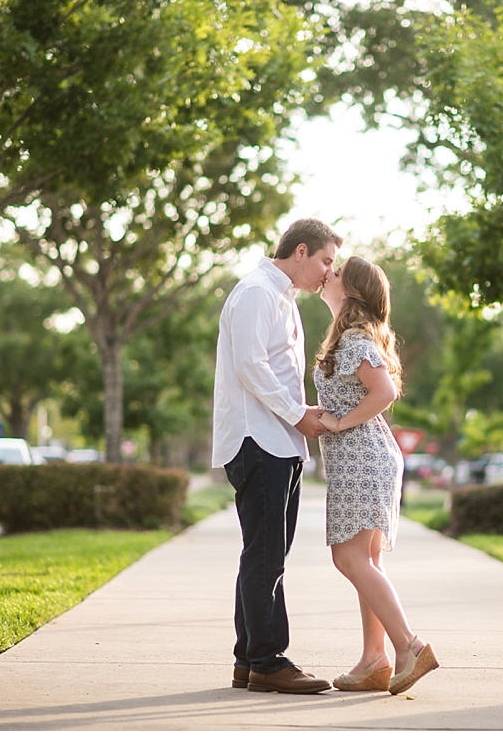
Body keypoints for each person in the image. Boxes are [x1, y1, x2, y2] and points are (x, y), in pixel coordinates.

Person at [212, 217, 342, 695]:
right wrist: (296, 414)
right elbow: (251, 366)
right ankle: (268, 661)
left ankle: (249, 660)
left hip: (279, 440)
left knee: (266, 556)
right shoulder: (256, 293)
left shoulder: (281, 296)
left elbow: (278, 371)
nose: (329, 273)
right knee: (265, 556)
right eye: (326, 261)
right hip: (258, 439)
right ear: (302, 251)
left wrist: (298, 417)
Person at [314, 256, 439, 695]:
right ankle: (374, 660)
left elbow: (383, 392)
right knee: (366, 560)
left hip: (360, 458)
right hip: (369, 457)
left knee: (348, 559)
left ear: (349, 292)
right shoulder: (353, 337)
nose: (326, 274)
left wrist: (336, 422)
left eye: (335, 272)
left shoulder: (352, 340)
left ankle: (409, 646)